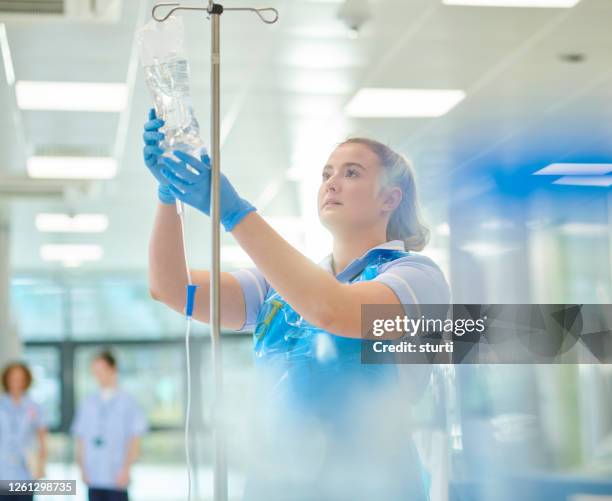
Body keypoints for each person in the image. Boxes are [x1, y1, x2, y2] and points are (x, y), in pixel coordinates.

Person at [144, 109, 450, 500]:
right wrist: (167, 195)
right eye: (326, 174)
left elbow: (332, 310)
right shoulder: (279, 285)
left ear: (390, 198)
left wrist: (235, 213)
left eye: (351, 173)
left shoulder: (417, 277)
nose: (332, 184)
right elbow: (170, 287)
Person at [71, 351, 148, 501]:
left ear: (113, 370)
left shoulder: (128, 402)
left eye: (102, 370)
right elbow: (81, 438)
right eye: (95, 371)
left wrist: (127, 469)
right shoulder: (88, 402)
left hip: (117, 473)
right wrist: (82, 468)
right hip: (93, 473)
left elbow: (135, 439)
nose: (98, 375)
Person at [0, 362, 47, 501]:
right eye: (13, 378)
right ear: (6, 380)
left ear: (27, 381)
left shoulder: (35, 406)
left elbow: (42, 440)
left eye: (20, 379)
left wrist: (41, 466)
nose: (16, 382)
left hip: (26, 469)